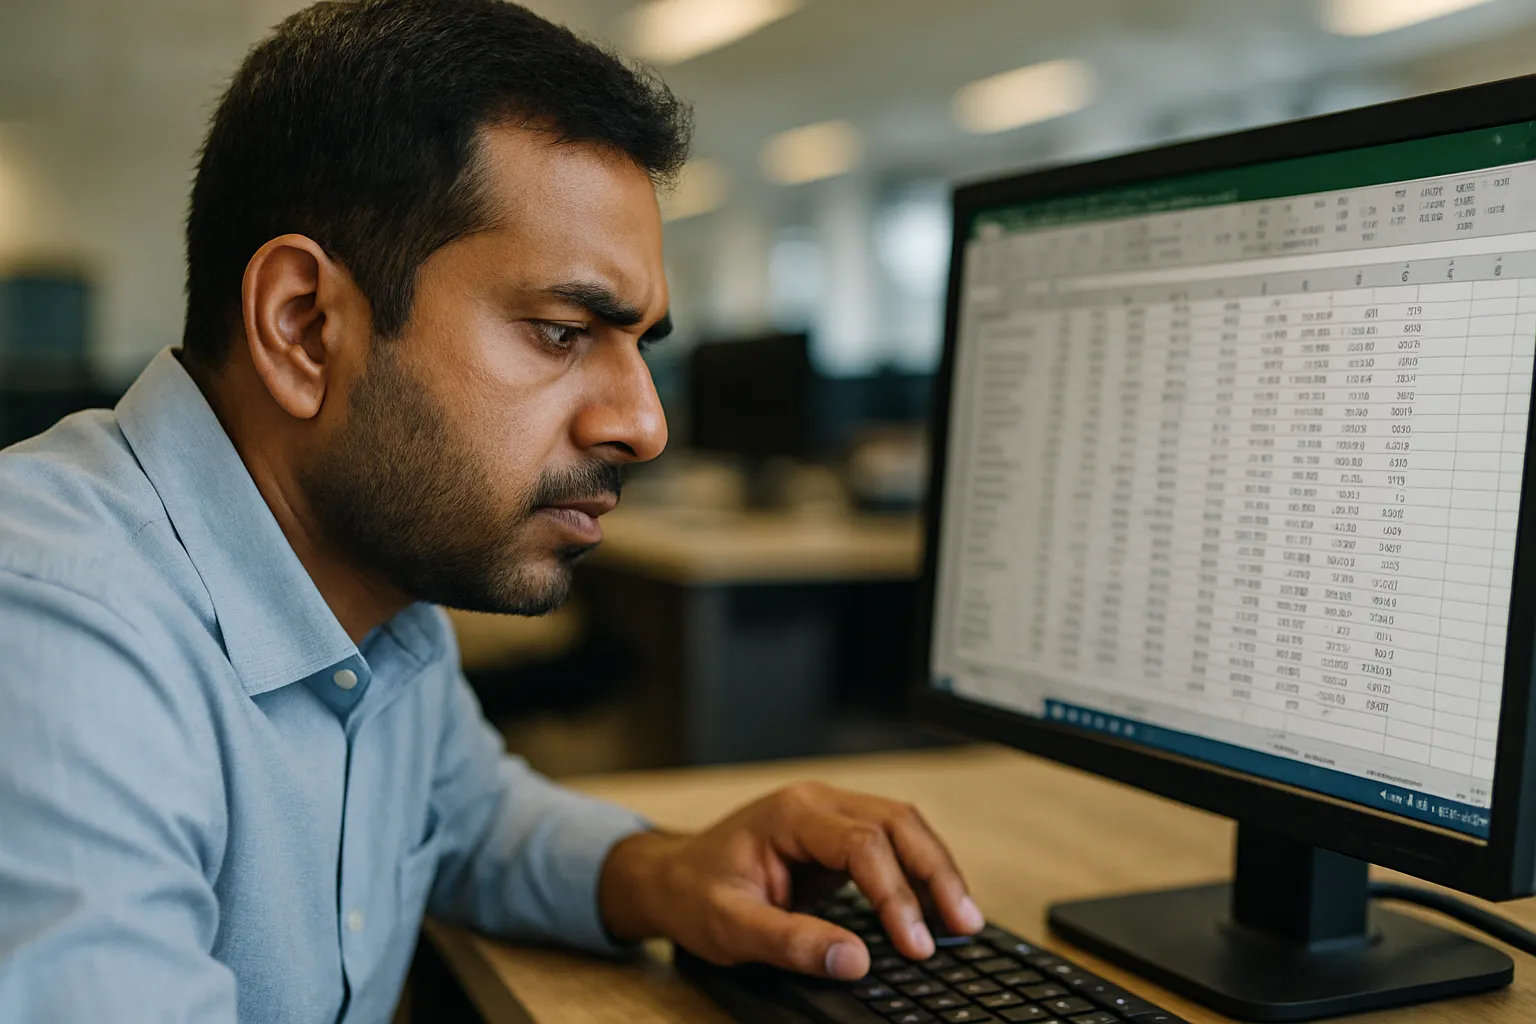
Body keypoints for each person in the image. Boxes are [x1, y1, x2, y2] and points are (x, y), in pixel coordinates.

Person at [0, 1, 983, 1020]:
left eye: (639, 344)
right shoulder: (58, 640)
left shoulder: (371, 583)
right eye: (562, 330)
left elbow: (471, 818)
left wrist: (669, 870)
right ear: (304, 326)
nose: (645, 425)